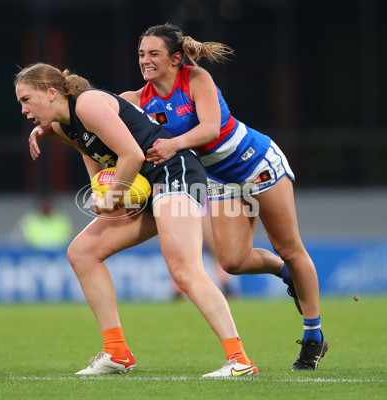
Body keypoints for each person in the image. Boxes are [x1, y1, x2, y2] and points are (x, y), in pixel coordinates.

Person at [16, 62, 258, 377]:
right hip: (146, 187)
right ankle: (117, 353)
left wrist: (114, 196)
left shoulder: (88, 104)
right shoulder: (64, 126)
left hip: (176, 173)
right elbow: (94, 157)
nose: (23, 109)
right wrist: (100, 193)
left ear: (51, 93)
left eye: (26, 99)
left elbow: (132, 155)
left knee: (184, 270)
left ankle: (239, 360)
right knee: (82, 252)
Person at [120, 23, 327, 371]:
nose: (145, 60)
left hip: (256, 164)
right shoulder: (137, 100)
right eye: (142, 54)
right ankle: (284, 272)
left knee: (290, 247)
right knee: (231, 261)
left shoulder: (196, 78)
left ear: (175, 58)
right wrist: (52, 125)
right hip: (219, 179)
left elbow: (211, 129)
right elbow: (94, 114)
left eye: (154, 53)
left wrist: (173, 144)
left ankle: (313, 337)